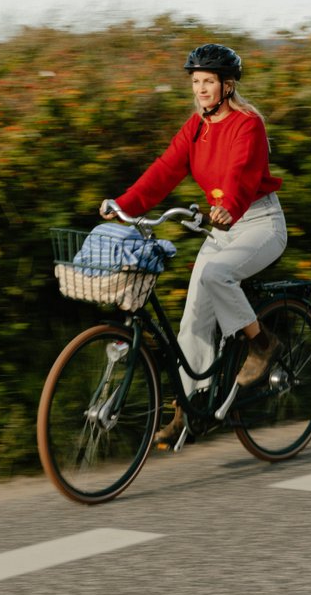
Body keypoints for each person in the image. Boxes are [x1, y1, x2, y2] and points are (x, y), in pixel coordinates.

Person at [103, 43, 287, 446]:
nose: (200, 89)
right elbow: (165, 169)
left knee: (217, 275)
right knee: (192, 323)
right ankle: (188, 410)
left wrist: (228, 207)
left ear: (227, 85)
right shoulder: (196, 127)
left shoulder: (247, 125)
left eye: (208, 82)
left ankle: (262, 344)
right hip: (220, 228)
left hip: (258, 223)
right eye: (196, 82)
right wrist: (124, 205)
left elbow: (241, 172)